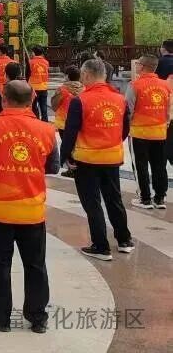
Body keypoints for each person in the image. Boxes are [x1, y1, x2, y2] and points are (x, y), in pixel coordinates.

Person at [0, 79, 59, 334]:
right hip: (31, 210)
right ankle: (38, 317)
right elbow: (53, 166)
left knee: (0, 263)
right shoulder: (46, 130)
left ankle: (0, 316)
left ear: (4, 99)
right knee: (35, 264)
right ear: (31, 100)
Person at [60, 58, 134, 260]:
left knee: (92, 203)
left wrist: (65, 156)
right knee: (114, 199)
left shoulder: (80, 101)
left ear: (85, 75)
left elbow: (70, 133)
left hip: (87, 159)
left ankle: (101, 246)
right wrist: (112, 142)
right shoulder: (119, 99)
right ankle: (124, 240)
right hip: (112, 157)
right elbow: (125, 128)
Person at [126, 55, 170, 209]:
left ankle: (145, 198)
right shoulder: (165, 85)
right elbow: (168, 109)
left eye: (138, 63)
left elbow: (128, 110)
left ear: (143, 66)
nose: (136, 65)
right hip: (160, 132)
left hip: (139, 132)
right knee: (159, 166)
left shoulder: (135, 85)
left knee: (141, 166)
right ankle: (160, 198)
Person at [27, 46, 50, 121]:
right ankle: (45, 121)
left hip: (33, 88)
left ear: (34, 53)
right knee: (43, 107)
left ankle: (36, 121)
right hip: (44, 87)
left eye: (32, 52)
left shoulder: (30, 62)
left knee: (34, 106)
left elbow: (27, 74)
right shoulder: (46, 62)